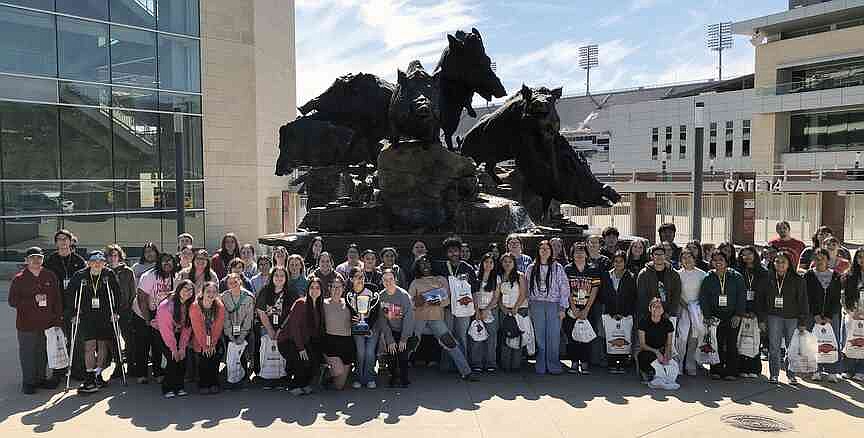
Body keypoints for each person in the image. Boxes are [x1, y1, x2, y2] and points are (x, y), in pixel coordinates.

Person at [409, 255, 475, 380]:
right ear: (417, 267)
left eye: (427, 263)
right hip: (419, 319)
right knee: (411, 343)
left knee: (450, 343)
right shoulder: (415, 282)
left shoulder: (440, 280)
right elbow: (410, 303)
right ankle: (399, 371)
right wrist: (419, 301)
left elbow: (447, 300)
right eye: (422, 264)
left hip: (436, 318)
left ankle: (467, 372)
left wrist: (437, 301)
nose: (425, 266)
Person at [9, 247, 62, 394]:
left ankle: (40, 378)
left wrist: (57, 320)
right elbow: (12, 301)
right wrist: (33, 300)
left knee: (42, 352)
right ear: (26, 260)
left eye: (39, 257)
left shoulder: (50, 276)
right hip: (26, 324)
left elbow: (57, 300)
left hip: (47, 323)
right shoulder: (19, 279)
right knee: (28, 353)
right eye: (32, 258)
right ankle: (28, 382)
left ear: (43, 259)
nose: (36, 260)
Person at [68, 251, 121, 394]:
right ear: (89, 262)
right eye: (94, 261)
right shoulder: (80, 275)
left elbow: (117, 293)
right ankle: (90, 375)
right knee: (89, 346)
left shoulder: (108, 274)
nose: (97, 263)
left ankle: (98, 374)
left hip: (105, 315)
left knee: (103, 344)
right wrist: (73, 313)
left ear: (104, 263)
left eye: (100, 261)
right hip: (87, 315)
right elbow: (70, 294)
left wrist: (116, 311)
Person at [44, 230, 87, 381]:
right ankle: (59, 371)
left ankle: (77, 369)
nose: (63, 242)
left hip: (74, 306)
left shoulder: (79, 260)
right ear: (56, 243)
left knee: (76, 338)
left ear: (71, 241)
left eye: (65, 239)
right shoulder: (50, 261)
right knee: (57, 339)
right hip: (56, 305)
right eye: (59, 239)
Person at [760, 251, 809, 385]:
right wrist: (762, 320)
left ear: (789, 264)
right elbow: (761, 301)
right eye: (777, 261)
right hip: (773, 316)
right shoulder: (767, 278)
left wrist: (802, 320)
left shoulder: (798, 279)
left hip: (792, 317)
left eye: (783, 262)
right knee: (774, 347)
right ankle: (774, 374)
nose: (780, 264)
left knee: (792, 347)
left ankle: (791, 374)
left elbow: (803, 301)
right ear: (773, 263)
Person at [699, 250, 746, 381]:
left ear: (726, 261)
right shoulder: (708, 277)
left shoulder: (736, 276)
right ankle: (716, 370)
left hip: (732, 316)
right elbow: (704, 298)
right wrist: (707, 316)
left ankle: (732, 371)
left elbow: (741, 297)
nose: (718, 262)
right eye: (715, 260)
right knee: (716, 343)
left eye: (721, 259)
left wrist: (738, 315)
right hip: (715, 317)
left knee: (731, 343)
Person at [435, 236, 479, 373]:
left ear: (460, 252)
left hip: (464, 308)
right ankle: (446, 365)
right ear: (446, 253)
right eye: (450, 251)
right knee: (447, 336)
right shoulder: (441, 267)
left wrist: (476, 310)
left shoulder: (468, 268)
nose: (453, 253)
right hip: (447, 308)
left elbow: (475, 291)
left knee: (461, 336)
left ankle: (462, 366)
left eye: (456, 251)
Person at [526, 240, 569, 375]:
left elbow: (564, 288)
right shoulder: (531, 268)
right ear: (538, 251)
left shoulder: (558, 268)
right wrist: (527, 307)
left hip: (553, 304)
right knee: (539, 335)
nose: (544, 251)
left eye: (547, 248)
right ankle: (541, 363)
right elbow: (527, 289)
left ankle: (553, 364)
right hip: (536, 304)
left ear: (551, 251)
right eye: (542, 248)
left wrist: (563, 307)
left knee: (553, 335)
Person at [134, 253, 178, 383]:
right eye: (164, 261)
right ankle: (141, 374)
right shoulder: (149, 276)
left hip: (162, 313)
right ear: (158, 263)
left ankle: (158, 372)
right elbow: (141, 298)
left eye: (170, 261)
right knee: (143, 343)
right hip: (143, 312)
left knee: (158, 343)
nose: (167, 264)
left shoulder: (175, 276)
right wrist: (148, 320)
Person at [280, 277, 325, 395]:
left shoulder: (320, 306)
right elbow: (294, 328)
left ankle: (304, 384)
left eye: (317, 288)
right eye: (312, 287)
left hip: (304, 341)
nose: (314, 290)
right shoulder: (301, 303)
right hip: (288, 340)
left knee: (312, 361)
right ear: (308, 289)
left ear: (321, 290)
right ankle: (294, 386)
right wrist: (301, 348)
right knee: (301, 361)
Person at [805, 248, 843, 383]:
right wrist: (815, 314)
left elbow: (836, 297)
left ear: (828, 260)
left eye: (822, 258)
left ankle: (832, 371)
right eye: (817, 258)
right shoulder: (809, 275)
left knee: (832, 342)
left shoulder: (836, 275)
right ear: (813, 260)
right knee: (814, 343)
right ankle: (815, 370)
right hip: (812, 315)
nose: (819, 261)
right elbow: (808, 297)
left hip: (831, 315)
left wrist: (828, 316)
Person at [563, 243, 601, 374]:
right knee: (572, 336)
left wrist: (586, 309)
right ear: (572, 255)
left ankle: (585, 362)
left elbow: (595, 290)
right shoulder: (567, 269)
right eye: (576, 252)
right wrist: (573, 308)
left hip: (588, 308)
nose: (579, 255)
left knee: (586, 335)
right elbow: (565, 290)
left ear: (586, 254)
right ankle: (574, 362)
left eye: (582, 252)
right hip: (572, 308)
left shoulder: (593, 269)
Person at [256, 266, 296, 388]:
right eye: (276, 275)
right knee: (265, 343)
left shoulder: (291, 293)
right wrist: (271, 331)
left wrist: (279, 330)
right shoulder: (265, 291)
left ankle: (283, 377)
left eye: (282, 276)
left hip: (284, 328)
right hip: (266, 326)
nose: (279, 278)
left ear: (286, 278)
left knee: (284, 346)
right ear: (272, 277)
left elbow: (291, 314)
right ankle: (265, 377)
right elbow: (261, 312)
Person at [377, 269, 416, 387]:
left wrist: (404, 338)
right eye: (385, 280)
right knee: (391, 354)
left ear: (395, 280)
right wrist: (389, 339)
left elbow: (409, 318)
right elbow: (383, 320)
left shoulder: (403, 295)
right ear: (382, 281)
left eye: (391, 279)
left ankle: (404, 378)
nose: (388, 282)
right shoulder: (381, 296)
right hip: (391, 331)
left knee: (403, 355)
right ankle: (393, 376)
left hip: (404, 330)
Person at [156, 280, 194, 398]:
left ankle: (179, 386)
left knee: (182, 359)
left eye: (190, 289)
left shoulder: (190, 305)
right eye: (185, 289)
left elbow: (187, 328)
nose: (188, 292)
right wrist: (173, 348)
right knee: (171, 360)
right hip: (163, 334)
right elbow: (166, 330)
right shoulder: (166, 306)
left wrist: (182, 347)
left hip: (179, 333)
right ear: (179, 290)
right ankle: (167, 387)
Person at [601, 251, 637, 374]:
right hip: (610, 313)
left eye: (621, 261)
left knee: (623, 337)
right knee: (611, 338)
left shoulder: (630, 276)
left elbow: (632, 297)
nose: (618, 263)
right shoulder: (607, 275)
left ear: (624, 262)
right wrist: (612, 313)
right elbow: (604, 295)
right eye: (616, 261)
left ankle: (622, 363)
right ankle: (611, 363)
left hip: (625, 314)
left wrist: (624, 312)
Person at [346, 266, 382, 389]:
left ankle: (369, 378)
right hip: (358, 327)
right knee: (360, 352)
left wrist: (368, 328)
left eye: (361, 277)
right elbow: (350, 313)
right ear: (351, 279)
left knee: (370, 352)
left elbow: (376, 312)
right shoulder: (348, 295)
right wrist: (353, 319)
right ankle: (359, 378)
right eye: (356, 277)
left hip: (373, 325)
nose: (360, 279)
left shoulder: (373, 289)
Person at [737, 246, 768, 378]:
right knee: (742, 338)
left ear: (755, 255)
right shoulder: (738, 271)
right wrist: (741, 311)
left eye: (749, 254)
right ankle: (742, 368)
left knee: (755, 339)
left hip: (758, 310)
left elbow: (766, 295)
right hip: (742, 309)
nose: (747, 257)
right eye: (744, 255)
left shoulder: (763, 272)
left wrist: (760, 315)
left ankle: (754, 368)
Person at [674, 248, 706, 376]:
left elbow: (704, 293)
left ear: (694, 258)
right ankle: (679, 363)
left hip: (697, 310)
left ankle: (690, 363)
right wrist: (685, 305)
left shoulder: (702, 274)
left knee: (694, 337)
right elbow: (676, 292)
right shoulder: (678, 274)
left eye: (689, 257)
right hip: (683, 309)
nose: (687, 260)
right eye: (684, 258)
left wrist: (696, 307)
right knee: (681, 337)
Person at [105, 244, 136, 381]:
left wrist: (128, 309)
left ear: (120, 256)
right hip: (108, 311)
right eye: (110, 255)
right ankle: (118, 365)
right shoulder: (104, 271)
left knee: (128, 338)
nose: (112, 258)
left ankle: (131, 364)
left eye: (115, 255)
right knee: (113, 339)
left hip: (124, 310)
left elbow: (132, 292)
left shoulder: (128, 271)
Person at [189, 281, 224, 394]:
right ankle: (203, 384)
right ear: (202, 292)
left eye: (214, 292)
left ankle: (214, 382)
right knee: (203, 359)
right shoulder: (195, 306)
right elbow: (198, 328)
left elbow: (218, 327)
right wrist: (205, 346)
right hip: (199, 339)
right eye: (208, 291)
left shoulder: (219, 306)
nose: (211, 294)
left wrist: (212, 344)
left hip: (214, 338)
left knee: (214, 358)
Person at [221, 273, 255, 388]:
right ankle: (231, 379)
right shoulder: (224, 297)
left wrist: (242, 335)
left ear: (240, 282)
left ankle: (244, 378)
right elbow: (224, 317)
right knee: (230, 355)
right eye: (230, 283)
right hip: (229, 331)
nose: (233, 284)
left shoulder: (249, 297)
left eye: (235, 282)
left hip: (244, 330)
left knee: (243, 355)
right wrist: (230, 334)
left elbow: (249, 317)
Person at [321, 276, 354, 390]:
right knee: (339, 370)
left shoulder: (349, 303)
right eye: (333, 287)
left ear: (343, 288)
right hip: (330, 342)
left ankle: (328, 375)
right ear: (329, 288)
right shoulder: (323, 303)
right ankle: (328, 371)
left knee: (339, 386)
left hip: (347, 343)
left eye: (339, 287)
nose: (336, 289)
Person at [498, 253, 528, 372]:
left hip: (519, 310)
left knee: (517, 337)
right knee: (506, 336)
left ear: (514, 263)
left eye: (510, 261)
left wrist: (516, 307)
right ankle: (505, 365)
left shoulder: (520, 276)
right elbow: (498, 295)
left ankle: (515, 365)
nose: (507, 264)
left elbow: (523, 293)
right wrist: (502, 307)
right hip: (505, 310)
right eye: (505, 261)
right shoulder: (500, 276)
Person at [471, 253, 500, 373]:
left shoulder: (496, 278)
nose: (488, 264)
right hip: (477, 310)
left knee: (491, 339)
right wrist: (477, 311)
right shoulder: (476, 276)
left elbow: (496, 297)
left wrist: (486, 310)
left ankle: (490, 363)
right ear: (482, 263)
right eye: (486, 262)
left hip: (491, 311)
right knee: (477, 338)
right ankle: (477, 363)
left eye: (491, 262)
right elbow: (473, 295)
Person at [636, 246, 682, 321]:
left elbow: (676, 295)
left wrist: (669, 312)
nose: (659, 257)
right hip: (649, 315)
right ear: (651, 256)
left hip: (669, 315)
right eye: (656, 254)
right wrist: (652, 312)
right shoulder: (643, 274)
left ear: (665, 256)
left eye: (661, 254)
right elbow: (642, 296)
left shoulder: (674, 274)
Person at [638, 298, 676, 388]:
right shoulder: (643, 322)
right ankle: (647, 372)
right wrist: (656, 352)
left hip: (662, 350)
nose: (656, 309)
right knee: (643, 356)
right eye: (654, 306)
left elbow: (669, 344)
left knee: (671, 364)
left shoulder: (668, 323)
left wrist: (667, 355)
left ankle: (660, 374)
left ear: (663, 310)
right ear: (649, 308)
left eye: (659, 307)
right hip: (648, 350)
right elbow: (642, 344)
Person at [843, 250, 864, 381]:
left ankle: (861, 370)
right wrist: (851, 312)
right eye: (860, 257)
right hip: (852, 314)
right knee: (850, 341)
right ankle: (849, 369)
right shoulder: (849, 275)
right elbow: (843, 297)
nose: (862, 260)